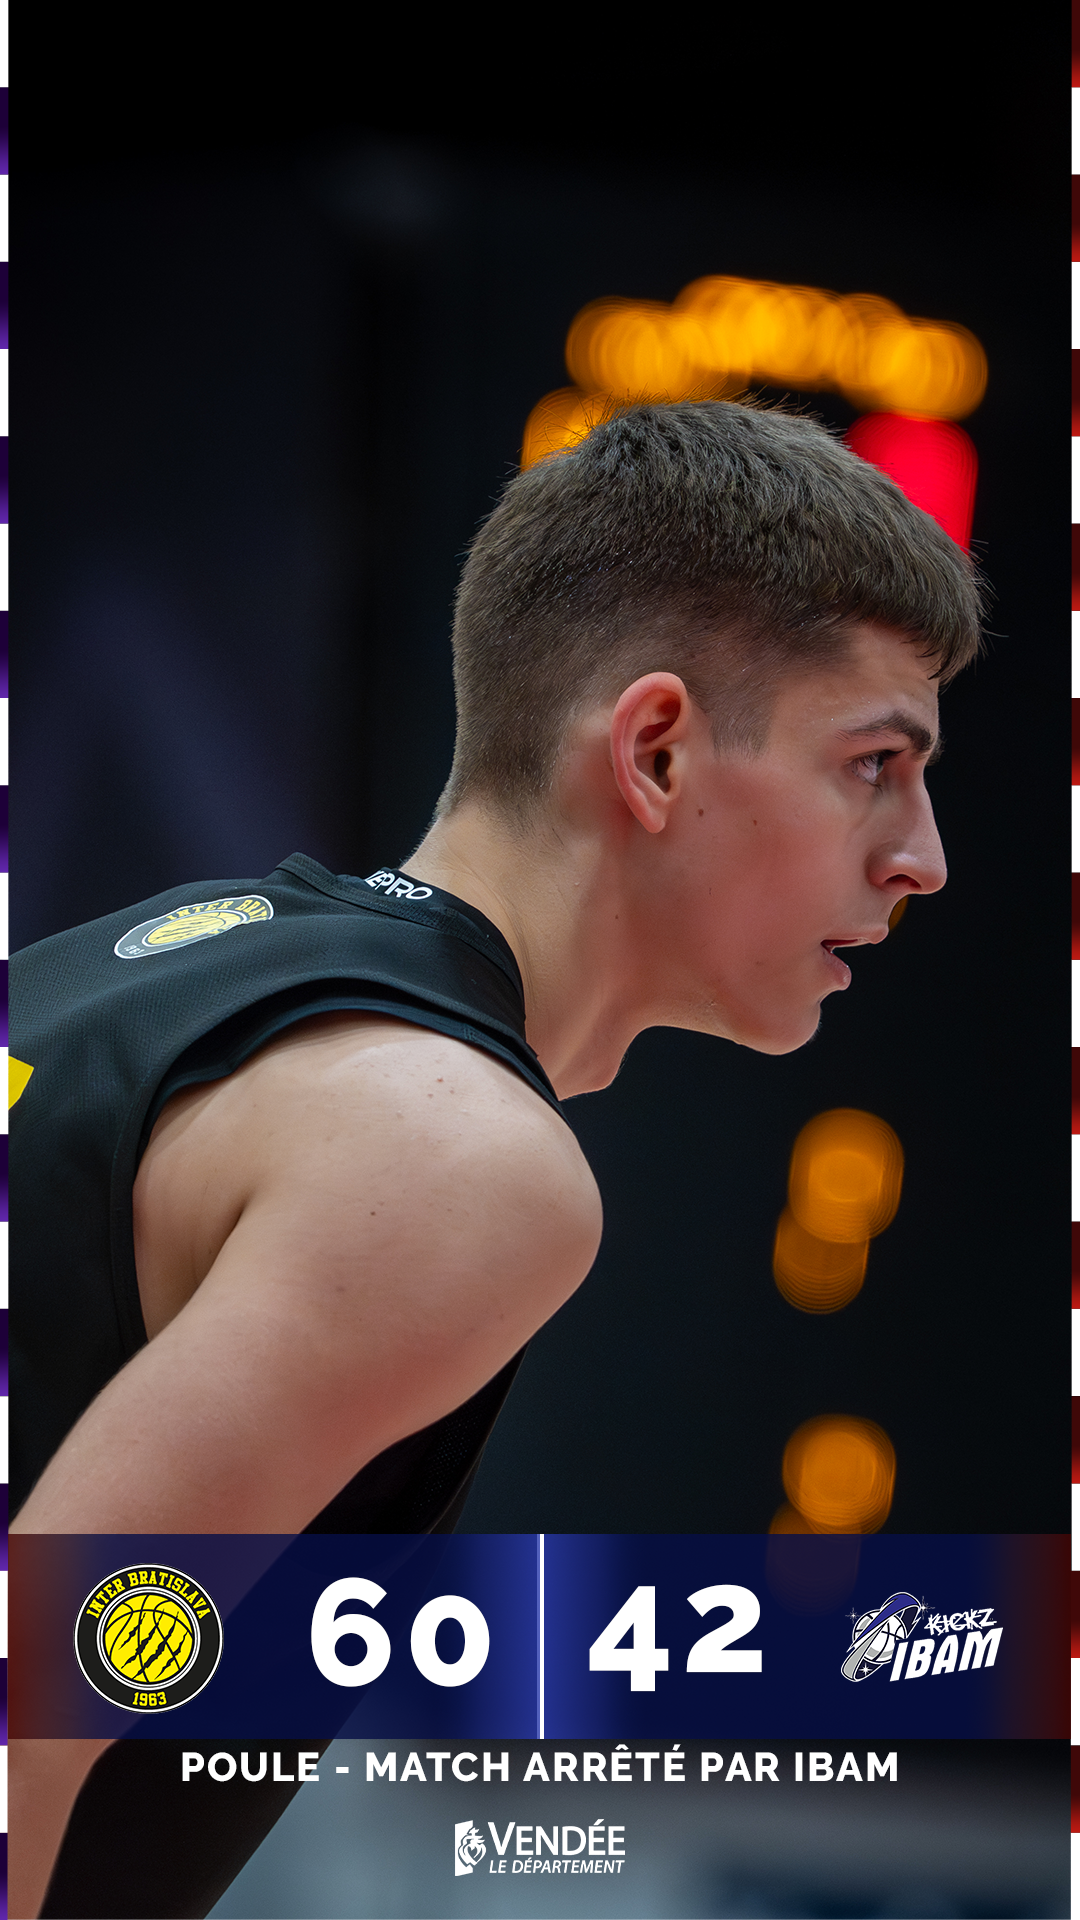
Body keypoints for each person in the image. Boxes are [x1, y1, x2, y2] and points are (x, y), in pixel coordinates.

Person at [9, 399, 982, 1916]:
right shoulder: (459, 1158)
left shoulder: (162, 957)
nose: (923, 855)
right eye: (873, 764)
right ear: (656, 751)